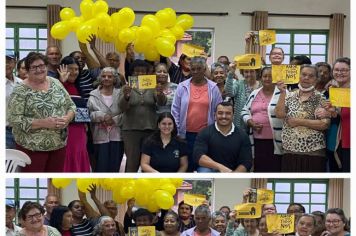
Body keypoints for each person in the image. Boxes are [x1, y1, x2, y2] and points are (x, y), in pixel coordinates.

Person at [8, 52, 76, 172]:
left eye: (42, 65)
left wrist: (67, 119)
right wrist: (44, 123)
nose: (39, 69)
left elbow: (71, 106)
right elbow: (15, 120)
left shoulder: (55, 82)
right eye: (34, 67)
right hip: (32, 148)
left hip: (59, 146)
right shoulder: (20, 90)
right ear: (27, 71)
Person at [172, 56, 222, 171]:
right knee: (186, 166)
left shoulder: (213, 88)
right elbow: (175, 110)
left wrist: (214, 133)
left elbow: (218, 111)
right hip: (185, 135)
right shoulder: (182, 86)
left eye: (199, 69)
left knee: (204, 167)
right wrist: (178, 131)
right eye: (193, 69)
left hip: (206, 136)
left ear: (204, 69)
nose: (195, 72)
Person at [275, 65, 330, 172]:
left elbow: (324, 124)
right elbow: (279, 114)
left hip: (314, 152)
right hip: (289, 151)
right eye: (304, 75)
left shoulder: (321, 98)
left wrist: (298, 121)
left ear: (316, 79)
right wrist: (282, 92)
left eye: (311, 76)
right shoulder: (289, 95)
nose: (306, 78)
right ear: (298, 76)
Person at [119, 59, 167, 172]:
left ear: (147, 73)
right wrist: (126, 96)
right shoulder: (126, 88)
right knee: (132, 163)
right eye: (137, 71)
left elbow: (162, 103)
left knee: (149, 163)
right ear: (132, 73)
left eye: (143, 72)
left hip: (150, 129)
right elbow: (121, 107)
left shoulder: (152, 87)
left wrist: (160, 94)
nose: (140, 74)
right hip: (131, 130)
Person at [241, 66, 283, 172]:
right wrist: (250, 122)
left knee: (275, 169)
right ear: (261, 77)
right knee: (259, 169)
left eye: (271, 76)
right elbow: (244, 111)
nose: (267, 79)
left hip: (276, 141)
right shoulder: (255, 93)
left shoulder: (282, 93)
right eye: (265, 76)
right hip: (257, 139)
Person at [193, 102, 252, 172]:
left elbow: (246, 162)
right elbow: (198, 156)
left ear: (233, 115)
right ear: (215, 115)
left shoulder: (242, 135)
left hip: (233, 171)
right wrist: (220, 167)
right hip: (210, 169)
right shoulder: (204, 132)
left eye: (228, 113)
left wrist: (233, 176)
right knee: (204, 171)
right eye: (220, 113)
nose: (224, 116)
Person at [87, 67, 124, 172]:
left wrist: (114, 119)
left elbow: (126, 113)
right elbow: (89, 114)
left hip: (117, 136)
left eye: (110, 76)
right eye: (103, 76)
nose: (106, 78)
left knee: (114, 168)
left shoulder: (121, 93)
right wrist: (102, 116)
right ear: (100, 78)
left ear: (114, 79)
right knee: (100, 168)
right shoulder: (93, 95)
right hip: (99, 135)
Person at [58, 56, 91, 172]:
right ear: (62, 69)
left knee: (79, 154)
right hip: (65, 130)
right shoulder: (57, 85)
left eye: (76, 69)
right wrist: (61, 82)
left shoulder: (78, 86)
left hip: (80, 130)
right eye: (70, 69)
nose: (74, 72)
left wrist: (85, 123)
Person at [325, 57, 350, 172]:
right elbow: (341, 115)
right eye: (337, 70)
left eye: (344, 70)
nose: (340, 73)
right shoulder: (334, 90)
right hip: (338, 141)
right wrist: (333, 112)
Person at [224, 62, 261, 130]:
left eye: (252, 71)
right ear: (242, 73)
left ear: (257, 72)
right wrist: (230, 73)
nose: (249, 74)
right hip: (240, 124)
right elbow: (229, 92)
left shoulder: (262, 86)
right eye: (246, 72)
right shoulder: (239, 84)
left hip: (258, 124)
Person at [6, 51, 23, 149]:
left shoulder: (21, 83)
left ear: (15, 62)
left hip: (21, 131)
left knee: (21, 162)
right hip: (5, 131)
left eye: (9, 61)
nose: (5, 64)